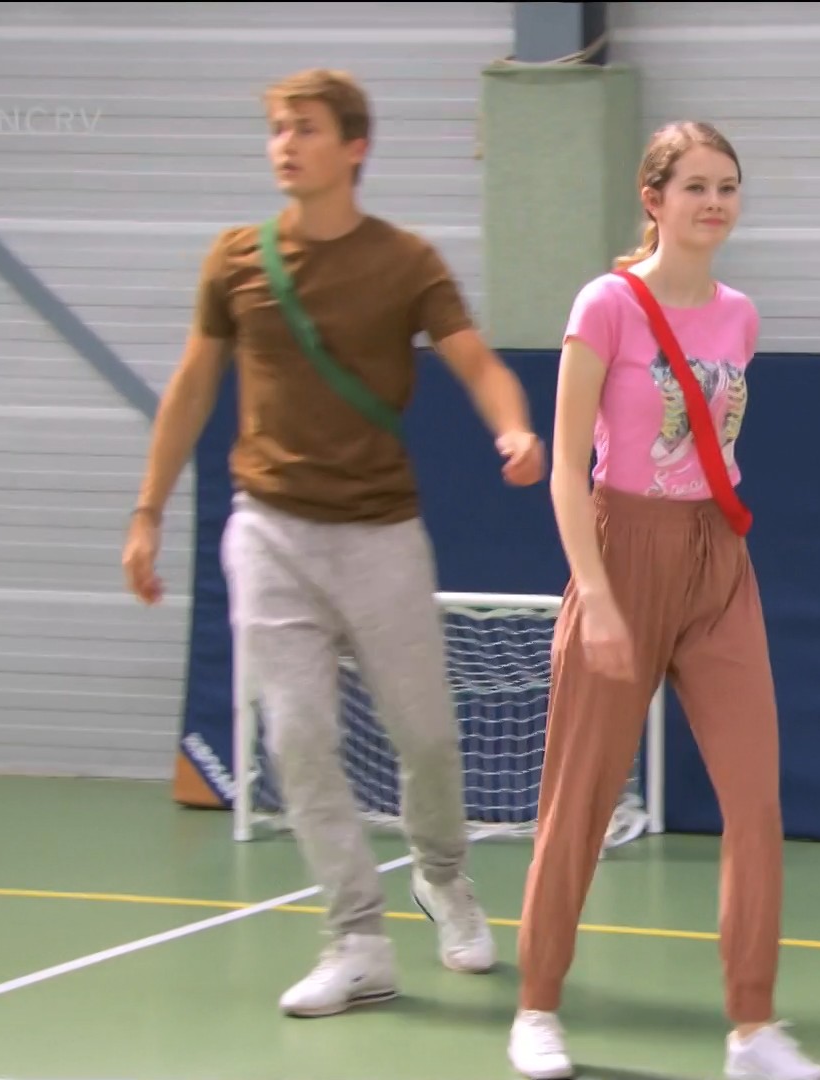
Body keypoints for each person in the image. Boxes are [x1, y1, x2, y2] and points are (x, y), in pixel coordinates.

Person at [120, 68, 545, 1018]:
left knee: (426, 735)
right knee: (298, 738)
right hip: (268, 531)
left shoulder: (406, 261)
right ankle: (357, 939)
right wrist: (147, 511)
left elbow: (478, 363)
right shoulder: (235, 259)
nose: (286, 143)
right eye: (277, 128)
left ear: (355, 147)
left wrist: (514, 429)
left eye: (305, 128)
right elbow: (192, 386)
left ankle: (443, 876)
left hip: (380, 534)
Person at [506, 122, 820, 1080]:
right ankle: (536, 1008)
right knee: (579, 800)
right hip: (621, 552)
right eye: (695, 186)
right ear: (653, 199)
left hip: (718, 561)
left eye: (727, 186)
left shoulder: (740, 317)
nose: (715, 203)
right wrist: (598, 599)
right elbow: (568, 470)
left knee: (755, 801)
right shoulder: (605, 305)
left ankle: (753, 1030)